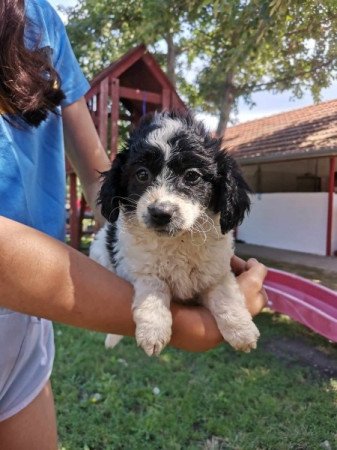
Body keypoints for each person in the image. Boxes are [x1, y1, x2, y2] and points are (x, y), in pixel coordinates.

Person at [0, 0, 268, 449]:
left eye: (189, 178)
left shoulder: (38, 17)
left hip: (29, 323)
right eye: (143, 177)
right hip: (29, 282)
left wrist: (199, 260)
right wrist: (186, 324)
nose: (161, 201)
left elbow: (96, 174)